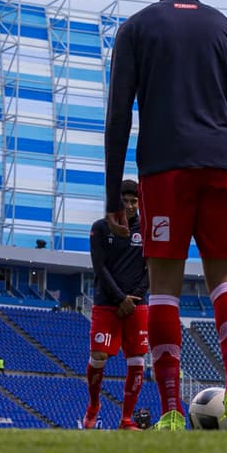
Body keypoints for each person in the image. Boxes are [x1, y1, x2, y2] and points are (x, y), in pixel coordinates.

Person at [103, 0, 227, 431]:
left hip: (165, 169)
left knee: (163, 293)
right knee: (226, 281)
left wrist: (115, 194)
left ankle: (172, 410)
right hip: (223, 165)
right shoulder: (225, 29)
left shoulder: (135, 28)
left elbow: (118, 117)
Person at [85, 179, 149, 430]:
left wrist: (134, 297)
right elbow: (99, 267)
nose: (131, 206)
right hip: (107, 304)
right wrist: (119, 298)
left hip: (137, 305)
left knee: (136, 359)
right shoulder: (100, 228)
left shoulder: (146, 229)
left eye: (135, 201)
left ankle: (126, 419)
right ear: (116, 201)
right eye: (126, 201)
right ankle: (93, 406)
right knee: (99, 355)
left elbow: (151, 268)